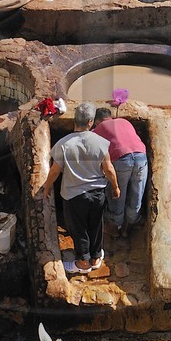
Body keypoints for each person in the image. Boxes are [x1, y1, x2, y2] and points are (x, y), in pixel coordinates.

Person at [37, 102, 120, 273]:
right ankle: (96, 258)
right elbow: (109, 169)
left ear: (75, 120)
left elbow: (55, 171)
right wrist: (115, 187)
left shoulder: (63, 144)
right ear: (90, 122)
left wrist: (46, 187)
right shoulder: (101, 143)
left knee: (79, 228)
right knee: (96, 225)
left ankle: (83, 263)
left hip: (74, 196)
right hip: (97, 194)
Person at [93, 107, 149, 236]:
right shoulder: (124, 122)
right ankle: (128, 226)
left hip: (120, 159)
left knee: (117, 194)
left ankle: (114, 227)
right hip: (141, 157)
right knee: (136, 194)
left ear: (96, 121)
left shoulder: (97, 129)